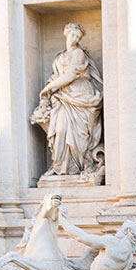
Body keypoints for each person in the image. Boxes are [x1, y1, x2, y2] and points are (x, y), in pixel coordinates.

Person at [36, 23, 103, 177]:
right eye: (73, 34)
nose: (75, 38)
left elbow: (70, 75)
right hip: (64, 97)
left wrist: (47, 89)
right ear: (66, 33)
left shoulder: (79, 53)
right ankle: (59, 166)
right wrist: (50, 87)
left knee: (79, 134)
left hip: (81, 95)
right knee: (60, 130)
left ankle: (76, 168)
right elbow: (56, 76)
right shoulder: (59, 56)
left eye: (78, 37)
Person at [59, 211, 136, 270]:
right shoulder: (129, 259)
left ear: (128, 231)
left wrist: (62, 220)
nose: (118, 230)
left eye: (121, 228)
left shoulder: (113, 243)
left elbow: (81, 236)